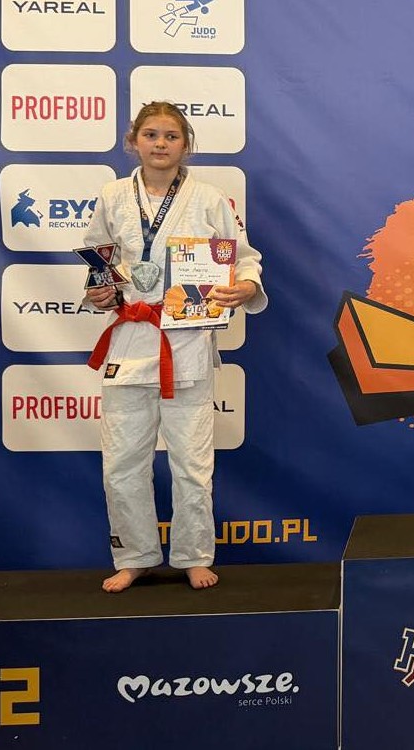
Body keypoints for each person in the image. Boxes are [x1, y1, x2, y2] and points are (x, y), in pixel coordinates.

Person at [83, 101, 265, 592]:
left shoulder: (209, 199)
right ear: (133, 141)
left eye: (171, 136)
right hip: (128, 342)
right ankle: (135, 556)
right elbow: (99, 262)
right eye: (151, 135)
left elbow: (244, 258)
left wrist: (245, 286)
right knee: (121, 463)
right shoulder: (112, 196)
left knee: (192, 464)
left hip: (186, 343)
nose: (160, 144)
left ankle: (193, 555)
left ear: (186, 145)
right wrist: (98, 292)